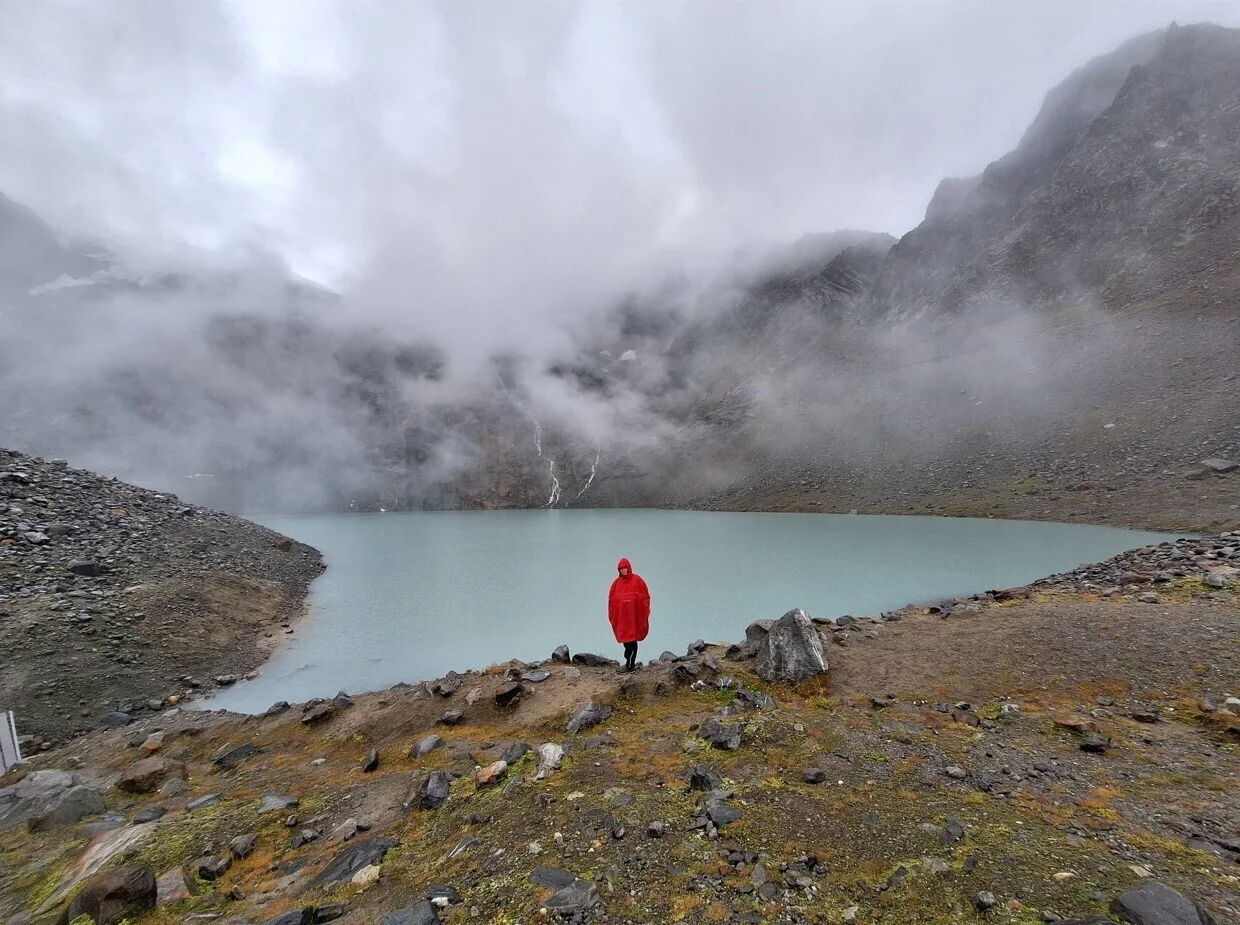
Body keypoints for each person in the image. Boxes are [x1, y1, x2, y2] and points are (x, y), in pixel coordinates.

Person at [608, 557, 651, 672]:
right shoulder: (616, 584)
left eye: (625, 568)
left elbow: (645, 597)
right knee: (626, 641)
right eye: (621, 569)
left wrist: (639, 608)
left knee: (632, 639)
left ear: (629, 568)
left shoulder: (637, 580)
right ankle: (628, 662)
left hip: (634, 617)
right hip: (622, 618)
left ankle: (630, 664)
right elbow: (611, 601)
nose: (623, 571)